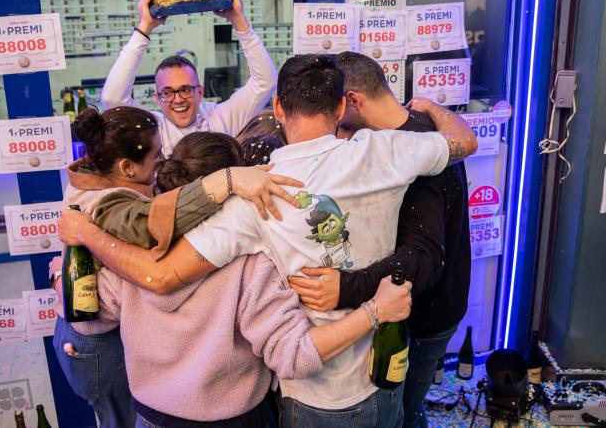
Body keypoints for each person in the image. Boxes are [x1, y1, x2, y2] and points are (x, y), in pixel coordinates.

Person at [57, 54, 477, 427]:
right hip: (379, 377)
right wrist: (432, 109)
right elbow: (465, 141)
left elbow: (161, 277)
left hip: (309, 394)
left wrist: (88, 239)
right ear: (340, 107)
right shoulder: (386, 150)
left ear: (278, 108)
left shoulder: (255, 196)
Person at [53, 106, 300, 427]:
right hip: (227, 412)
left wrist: (62, 276)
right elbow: (290, 352)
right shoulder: (119, 213)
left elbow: (108, 301)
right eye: (157, 154)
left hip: (154, 410)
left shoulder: (122, 217)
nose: (163, 162)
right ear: (127, 167)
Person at [287, 52, 472, 428]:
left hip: (422, 317)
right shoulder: (418, 133)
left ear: (351, 101)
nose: (334, 125)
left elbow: (423, 258)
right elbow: (463, 139)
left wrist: (346, 288)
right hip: (417, 308)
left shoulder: (412, 150)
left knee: (404, 411)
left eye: (333, 108)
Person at [101, 0, 277, 155]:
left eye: (186, 89)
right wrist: (145, 27)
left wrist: (239, 21)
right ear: (157, 98)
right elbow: (112, 98)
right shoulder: (152, 129)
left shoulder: (221, 118)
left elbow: (265, 82)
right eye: (168, 92)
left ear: (200, 91)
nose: (178, 100)